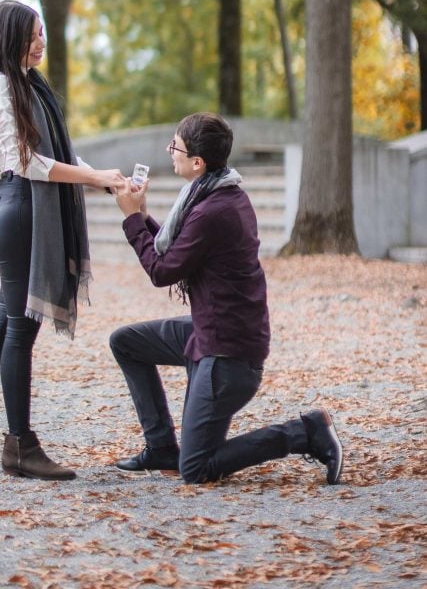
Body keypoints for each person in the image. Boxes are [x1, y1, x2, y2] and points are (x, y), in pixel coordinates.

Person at [0, 0, 125, 481]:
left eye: (43, 35)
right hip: (18, 210)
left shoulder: (33, 85)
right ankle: (19, 446)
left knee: (6, 324)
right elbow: (28, 161)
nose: (42, 43)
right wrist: (93, 176)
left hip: (33, 209)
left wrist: (103, 178)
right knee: (20, 327)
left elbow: (59, 149)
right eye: (35, 35)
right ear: (12, 36)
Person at [109, 112, 343, 486]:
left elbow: (162, 271)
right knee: (126, 342)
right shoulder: (214, 194)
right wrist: (142, 215)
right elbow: (178, 253)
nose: (170, 153)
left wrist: (131, 220)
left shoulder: (213, 210)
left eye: (176, 147)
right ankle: (162, 448)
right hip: (209, 332)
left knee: (197, 469)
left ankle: (305, 432)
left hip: (228, 353)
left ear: (197, 162)